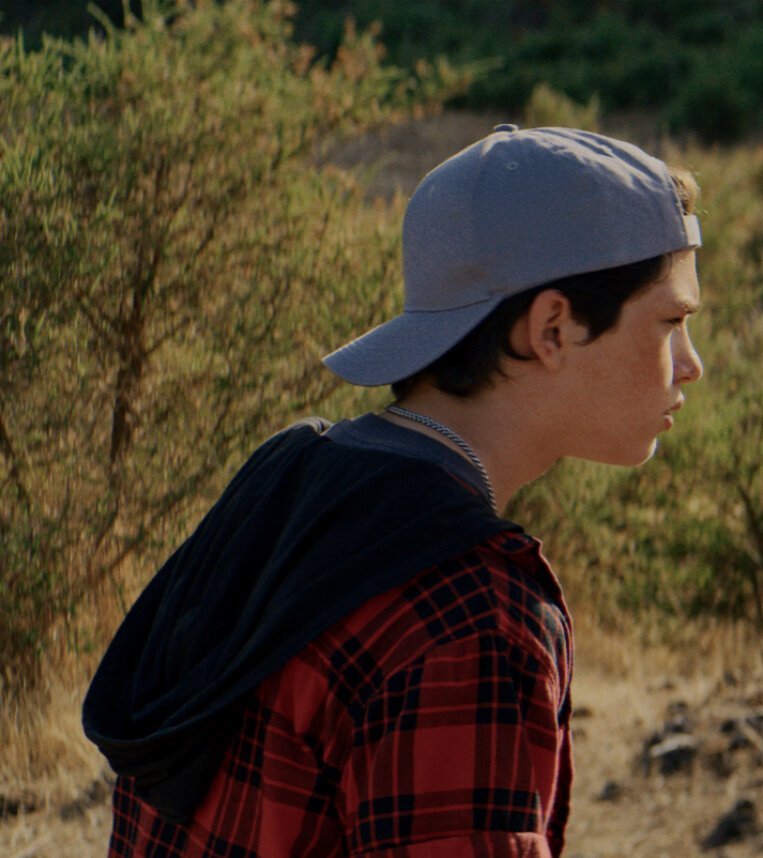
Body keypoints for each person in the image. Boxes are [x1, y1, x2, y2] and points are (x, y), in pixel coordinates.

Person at [82, 124, 706, 856]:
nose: (690, 364)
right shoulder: (473, 620)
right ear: (552, 328)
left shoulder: (289, 481)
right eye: (670, 322)